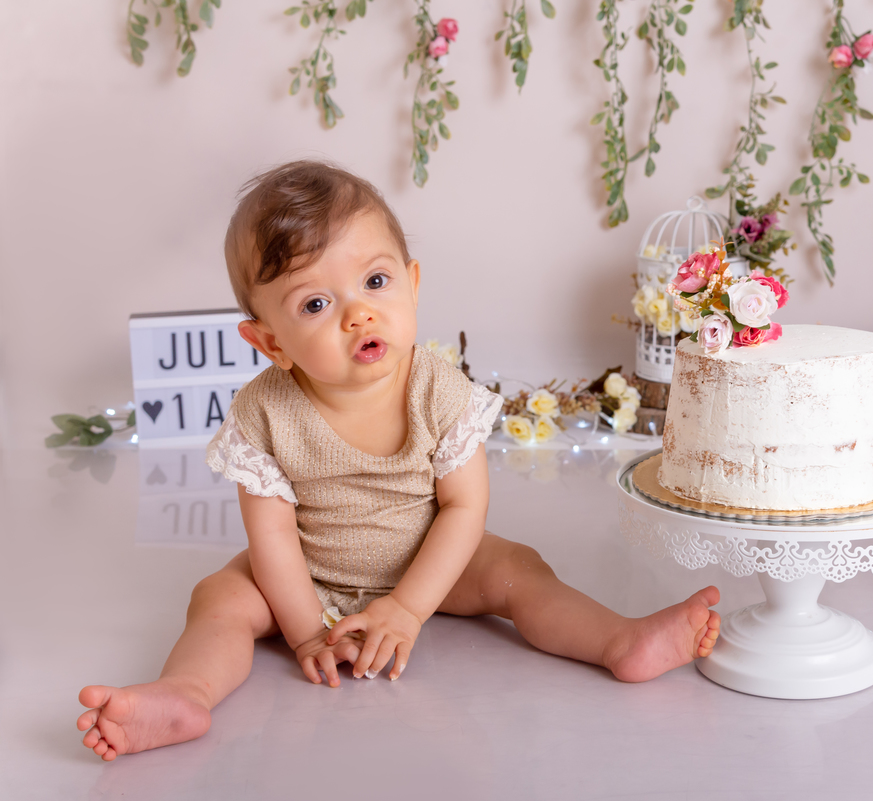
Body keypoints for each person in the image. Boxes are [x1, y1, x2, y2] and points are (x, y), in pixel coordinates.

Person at [77, 161, 721, 761]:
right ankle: (186, 693)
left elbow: (465, 506)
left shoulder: (437, 388)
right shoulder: (263, 412)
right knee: (218, 596)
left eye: (375, 281)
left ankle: (619, 641)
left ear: (411, 284)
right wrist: (305, 630)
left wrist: (409, 607)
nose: (358, 313)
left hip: (432, 561)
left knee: (518, 570)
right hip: (307, 575)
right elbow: (269, 534)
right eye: (316, 304)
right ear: (270, 341)